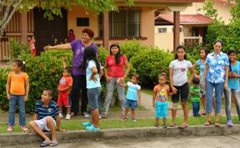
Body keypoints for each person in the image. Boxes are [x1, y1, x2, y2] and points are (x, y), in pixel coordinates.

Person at [44, 28, 98, 117]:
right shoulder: (77, 43)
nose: (83, 36)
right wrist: (53, 47)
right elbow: (66, 46)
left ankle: (84, 110)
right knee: (75, 91)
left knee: (85, 92)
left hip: (87, 73)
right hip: (76, 71)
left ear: (90, 37)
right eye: (83, 34)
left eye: (85, 35)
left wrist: (96, 71)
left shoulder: (93, 46)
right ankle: (73, 110)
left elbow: (96, 58)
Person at [203, 40, 229, 127]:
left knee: (218, 99)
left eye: (219, 46)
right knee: (209, 98)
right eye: (216, 45)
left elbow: (226, 69)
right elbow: (206, 68)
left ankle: (217, 119)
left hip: (220, 80)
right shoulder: (209, 56)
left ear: (221, 47)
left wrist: (226, 82)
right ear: (213, 46)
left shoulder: (224, 56)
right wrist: (203, 80)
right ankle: (209, 118)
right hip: (209, 79)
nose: (217, 47)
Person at [169, 45, 194, 128]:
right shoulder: (173, 63)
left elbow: (193, 73)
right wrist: (172, 86)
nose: (180, 54)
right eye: (178, 52)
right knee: (174, 104)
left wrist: (189, 81)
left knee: (184, 103)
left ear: (184, 53)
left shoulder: (188, 63)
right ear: (176, 53)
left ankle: (185, 122)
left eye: (182, 52)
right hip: (175, 86)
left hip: (184, 85)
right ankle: (173, 121)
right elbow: (170, 75)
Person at [102, 43, 130, 118]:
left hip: (120, 79)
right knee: (108, 96)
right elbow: (104, 67)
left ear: (118, 49)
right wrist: (106, 76)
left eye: (115, 48)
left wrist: (123, 77)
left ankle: (124, 112)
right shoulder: (108, 57)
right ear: (110, 49)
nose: (114, 50)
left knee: (121, 97)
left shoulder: (123, 57)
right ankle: (105, 112)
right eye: (112, 48)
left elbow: (128, 67)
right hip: (110, 79)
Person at [81, 47, 102, 132]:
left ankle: (95, 126)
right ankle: (92, 123)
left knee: (94, 107)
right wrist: (98, 79)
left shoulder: (91, 62)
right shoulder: (96, 61)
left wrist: (92, 76)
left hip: (92, 88)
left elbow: (95, 70)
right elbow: (101, 72)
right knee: (93, 106)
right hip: (96, 86)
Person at [6, 59, 29, 132]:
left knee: (22, 111)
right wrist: (7, 94)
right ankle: (10, 125)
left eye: (14, 66)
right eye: (12, 66)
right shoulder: (11, 74)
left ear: (20, 67)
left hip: (21, 96)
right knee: (11, 111)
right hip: (12, 95)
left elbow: (27, 85)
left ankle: (22, 125)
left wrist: (26, 95)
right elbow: (8, 84)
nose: (13, 67)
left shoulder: (24, 75)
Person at [224, 49, 240, 127]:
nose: (232, 56)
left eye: (233, 55)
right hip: (228, 85)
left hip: (236, 86)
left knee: (238, 103)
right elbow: (222, 74)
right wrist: (228, 75)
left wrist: (236, 75)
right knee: (228, 103)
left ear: (236, 55)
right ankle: (229, 119)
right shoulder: (226, 64)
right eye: (230, 55)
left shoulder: (239, 64)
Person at [193, 47, 209, 115]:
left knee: (209, 95)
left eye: (202, 52)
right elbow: (191, 68)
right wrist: (195, 75)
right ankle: (204, 109)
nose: (201, 54)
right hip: (201, 80)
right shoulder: (199, 61)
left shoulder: (209, 60)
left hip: (208, 79)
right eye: (200, 52)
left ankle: (209, 109)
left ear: (206, 53)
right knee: (203, 95)